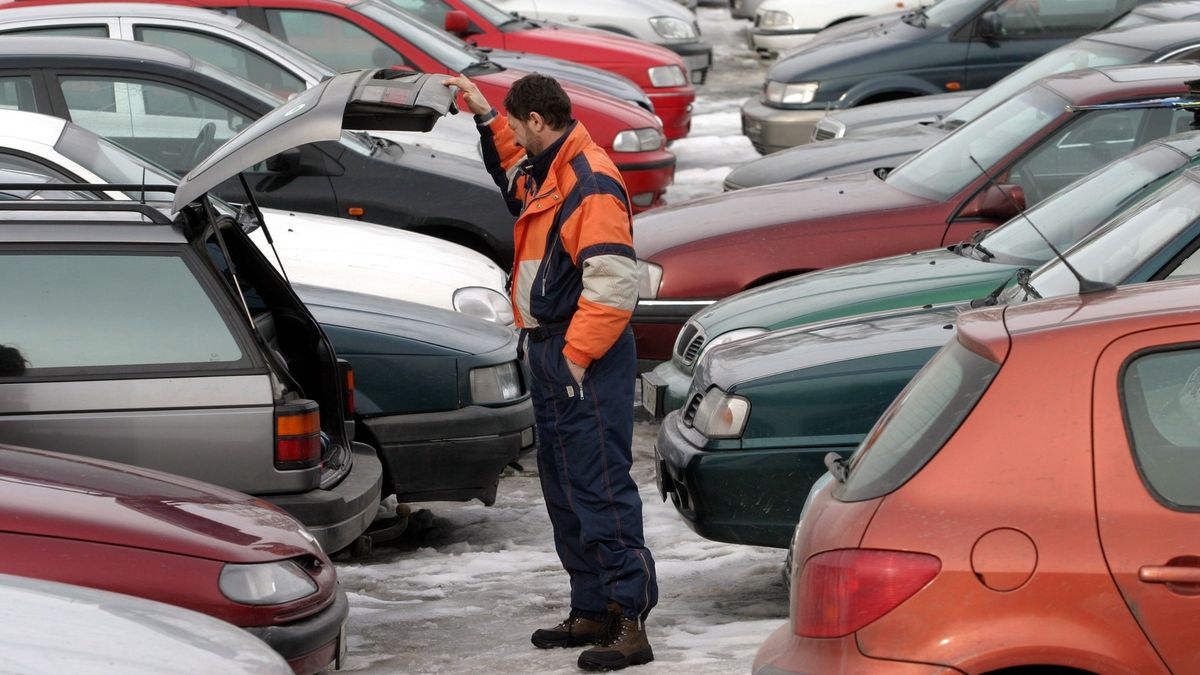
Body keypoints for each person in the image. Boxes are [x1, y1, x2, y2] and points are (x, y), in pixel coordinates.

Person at [443, 72, 657, 671]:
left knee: (599, 489)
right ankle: (591, 607)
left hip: (580, 356)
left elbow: (614, 287)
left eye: (514, 122)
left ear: (538, 121)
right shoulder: (550, 171)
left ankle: (628, 623)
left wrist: (574, 358)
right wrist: (487, 117)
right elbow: (514, 175)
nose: (512, 133)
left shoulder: (589, 183)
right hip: (554, 350)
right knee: (564, 489)